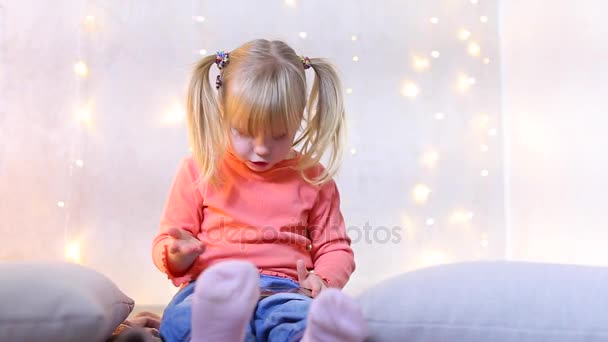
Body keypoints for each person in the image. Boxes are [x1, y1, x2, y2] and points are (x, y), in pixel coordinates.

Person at [152, 39, 367, 342]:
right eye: (244, 133)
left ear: (298, 119)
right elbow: (167, 239)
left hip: (285, 290)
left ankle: (313, 335)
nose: (262, 149)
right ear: (223, 115)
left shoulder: (314, 177)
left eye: (280, 135)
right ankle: (218, 333)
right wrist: (177, 255)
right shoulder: (199, 168)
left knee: (295, 318)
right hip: (211, 287)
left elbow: (335, 247)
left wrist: (323, 279)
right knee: (182, 318)